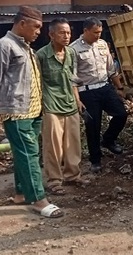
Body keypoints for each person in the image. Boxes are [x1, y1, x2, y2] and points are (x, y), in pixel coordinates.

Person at [0, 6, 64, 218]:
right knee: (28, 155)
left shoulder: (26, 47)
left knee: (25, 154)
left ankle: (21, 193)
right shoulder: (3, 46)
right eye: (36, 27)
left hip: (33, 110)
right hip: (17, 112)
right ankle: (38, 200)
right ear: (22, 23)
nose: (39, 31)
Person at [36, 18, 89, 195]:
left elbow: (73, 78)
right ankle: (54, 181)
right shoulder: (41, 56)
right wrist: (40, 105)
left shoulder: (71, 53)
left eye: (68, 32)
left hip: (70, 103)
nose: (66, 36)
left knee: (73, 143)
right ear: (51, 35)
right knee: (53, 146)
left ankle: (73, 176)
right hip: (51, 105)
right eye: (62, 32)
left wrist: (78, 99)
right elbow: (37, 83)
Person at [70, 17, 127, 174]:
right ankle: (95, 160)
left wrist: (119, 87)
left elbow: (110, 69)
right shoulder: (74, 49)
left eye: (100, 32)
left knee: (121, 114)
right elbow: (72, 78)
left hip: (105, 87)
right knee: (93, 127)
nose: (98, 35)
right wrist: (77, 99)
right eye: (95, 32)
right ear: (86, 30)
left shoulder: (102, 44)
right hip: (87, 92)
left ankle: (108, 140)